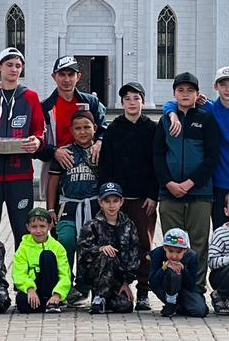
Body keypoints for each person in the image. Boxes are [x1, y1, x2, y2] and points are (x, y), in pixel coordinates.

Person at [162, 66, 229, 230]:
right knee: (221, 236)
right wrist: (172, 114)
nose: (227, 89)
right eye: (223, 84)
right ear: (216, 86)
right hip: (217, 187)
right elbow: (174, 103)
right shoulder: (210, 109)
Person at [0, 48, 46, 245]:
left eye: (18, 66)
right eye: (9, 65)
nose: (14, 69)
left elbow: (39, 130)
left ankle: (23, 266)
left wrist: (37, 142)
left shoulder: (30, 97)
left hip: (20, 175)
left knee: (23, 230)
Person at [154, 71, 221, 291]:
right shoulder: (165, 120)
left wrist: (190, 183)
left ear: (197, 94)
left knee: (198, 245)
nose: (185, 94)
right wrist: (169, 183)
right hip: (169, 194)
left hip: (200, 194)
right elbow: (157, 155)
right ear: (174, 93)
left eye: (190, 90)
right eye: (180, 90)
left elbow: (212, 157)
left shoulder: (206, 119)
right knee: (172, 245)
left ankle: (196, 290)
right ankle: (173, 290)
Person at [97, 81, 157, 310]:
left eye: (136, 98)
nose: (132, 103)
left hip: (143, 200)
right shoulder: (114, 129)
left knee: (144, 245)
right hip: (117, 200)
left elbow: (156, 164)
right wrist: (107, 197)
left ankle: (143, 291)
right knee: (115, 244)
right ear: (122, 103)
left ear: (143, 101)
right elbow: (106, 165)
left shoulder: (151, 129)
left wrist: (153, 195)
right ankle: (116, 288)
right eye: (127, 99)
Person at [48, 109, 100, 304]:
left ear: (95, 128)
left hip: (94, 206)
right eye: (78, 128)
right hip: (69, 206)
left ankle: (84, 287)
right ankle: (65, 285)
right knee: (66, 241)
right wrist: (51, 209)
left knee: (90, 246)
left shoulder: (100, 151)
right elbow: (53, 181)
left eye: (87, 127)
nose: (83, 132)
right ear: (71, 130)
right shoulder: (65, 153)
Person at [39, 56, 108, 195]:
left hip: (89, 164)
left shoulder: (91, 102)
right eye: (62, 74)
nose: (66, 79)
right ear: (54, 77)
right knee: (57, 206)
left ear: (78, 77)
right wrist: (54, 152)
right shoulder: (45, 107)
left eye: (71, 74)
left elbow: (104, 128)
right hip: (58, 164)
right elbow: (37, 143)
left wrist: (99, 142)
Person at [76, 182, 141, 313]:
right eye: (107, 201)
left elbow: (134, 255)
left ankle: (107, 299)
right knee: (108, 254)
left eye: (115, 201)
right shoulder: (91, 225)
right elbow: (82, 253)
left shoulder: (129, 225)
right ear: (100, 202)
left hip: (118, 277)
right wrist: (99, 249)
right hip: (97, 275)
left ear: (121, 202)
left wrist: (126, 282)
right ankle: (99, 297)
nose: (111, 205)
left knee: (125, 306)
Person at [13, 207, 71, 313]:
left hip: (52, 287)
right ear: (28, 227)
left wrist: (58, 294)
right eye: (34, 227)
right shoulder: (23, 248)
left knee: (47, 255)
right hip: (34, 287)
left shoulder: (57, 247)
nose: (38, 231)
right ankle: (45, 305)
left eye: (42, 226)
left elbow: (65, 275)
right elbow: (19, 274)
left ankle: (53, 301)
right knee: (21, 301)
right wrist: (29, 289)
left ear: (49, 227)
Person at [148, 228, 207, 318]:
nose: (174, 256)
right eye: (170, 251)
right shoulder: (158, 253)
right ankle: (170, 303)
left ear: (185, 250)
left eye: (179, 252)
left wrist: (183, 269)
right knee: (173, 273)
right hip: (165, 287)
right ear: (164, 248)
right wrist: (164, 268)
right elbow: (152, 282)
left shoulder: (192, 256)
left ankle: (178, 306)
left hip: (184, 289)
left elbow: (191, 285)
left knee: (200, 311)